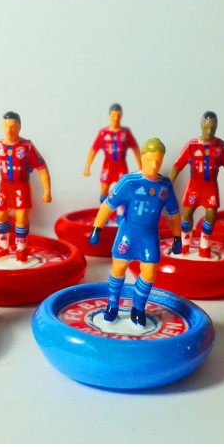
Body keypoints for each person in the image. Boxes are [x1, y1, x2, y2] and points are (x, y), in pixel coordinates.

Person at [89, 138, 182, 327]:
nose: (154, 165)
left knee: (149, 273)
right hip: (127, 234)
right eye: (150, 160)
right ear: (142, 158)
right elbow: (108, 205)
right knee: (118, 269)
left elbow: (174, 213)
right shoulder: (129, 182)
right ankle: (112, 306)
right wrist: (97, 228)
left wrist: (177, 236)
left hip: (149, 237)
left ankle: (138, 309)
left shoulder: (164, 186)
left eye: (158, 161)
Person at [0, 111, 51, 263]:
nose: (9, 130)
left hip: (21, 188)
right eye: (6, 126)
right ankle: (3, 248)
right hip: (5, 188)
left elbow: (41, 167)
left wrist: (47, 190)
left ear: (19, 127)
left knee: (21, 218)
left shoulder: (27, 147)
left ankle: (21, 251)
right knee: (0, 216)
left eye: (13, 126)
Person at [168, 111, 224, 258]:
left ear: (216, 127)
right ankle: (185, 244)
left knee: (211, 216)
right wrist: (167, 184)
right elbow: (177, 166)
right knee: (187, 215)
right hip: (193, 187)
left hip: (210, 188)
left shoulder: (220, 147)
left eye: (212, 128)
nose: (209, 131)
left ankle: (204, 246)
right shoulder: (191, 146)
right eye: (206, 127)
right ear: (201, 125)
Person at [83, 103, 140, 222]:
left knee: (122, 190)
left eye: (118, 115)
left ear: (121, 115)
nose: (116, 117)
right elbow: (94, 150)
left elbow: (135, 149)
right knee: (104, 189)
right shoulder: (103, 133)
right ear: (109, 115)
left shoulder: (125, 132)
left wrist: (141, 166)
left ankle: (120, 216)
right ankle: (104, 215)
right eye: (114, 115)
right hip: (108, 166)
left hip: (121, 166)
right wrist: (87, 166)